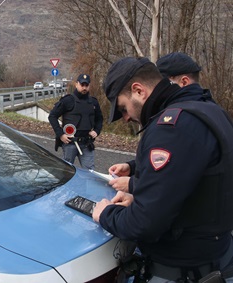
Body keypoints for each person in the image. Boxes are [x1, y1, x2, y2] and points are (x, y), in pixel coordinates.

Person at [93, 57, 233, 282]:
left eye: (123, 108)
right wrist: (142, 191)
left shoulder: (171, 128)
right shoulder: (207, 109)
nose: (126, 117)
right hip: (216, 255)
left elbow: (144, 224)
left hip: (183, 269)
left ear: (138, 91)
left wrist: (106, 213)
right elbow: (190, 181)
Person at [108, 52, 215, 193]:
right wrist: (133, 167)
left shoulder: (181, 121)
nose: (159, 87)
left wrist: (134, 185)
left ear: (183, 82)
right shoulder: (208, 110)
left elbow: (171, 187)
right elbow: (180, 159)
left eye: (164, 81)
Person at [48, 74, 103, 170]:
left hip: (87, 143)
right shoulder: (67, 100)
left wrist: (97, 130)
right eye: (82, 85)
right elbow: (52, 116)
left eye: (86, 85)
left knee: (90, 173)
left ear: (89, 86)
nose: (84, 87)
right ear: (76, 84)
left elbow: (99, 118)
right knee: (66, 172)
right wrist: (60, 134)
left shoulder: (93, 102)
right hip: (70, 143)